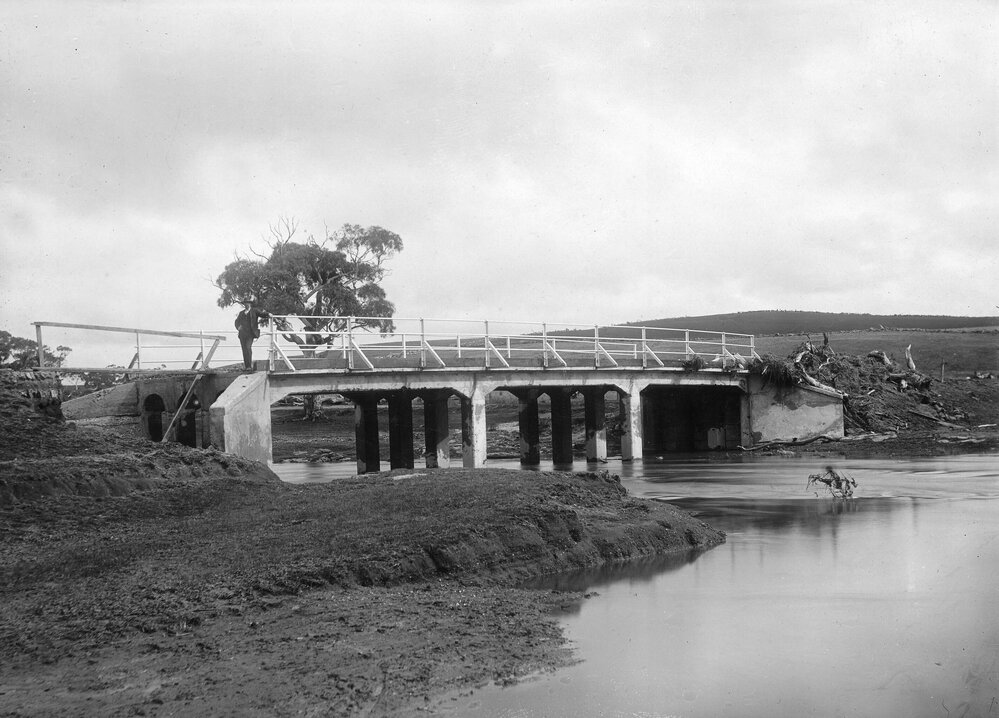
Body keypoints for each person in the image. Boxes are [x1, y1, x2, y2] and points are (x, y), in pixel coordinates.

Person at [234, 301, 271, 371]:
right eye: (245, 303)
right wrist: (238, 327)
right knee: (244, 349)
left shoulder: (254, 311)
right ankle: (247, 366)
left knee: (248, 347)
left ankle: (249, 366)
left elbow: (262, 314)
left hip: (250, 334)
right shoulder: (241, 313)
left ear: (250, 304)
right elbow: (236, 322)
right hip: (242, 334)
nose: (246, 304)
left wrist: (268, 314)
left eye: (248, 303)